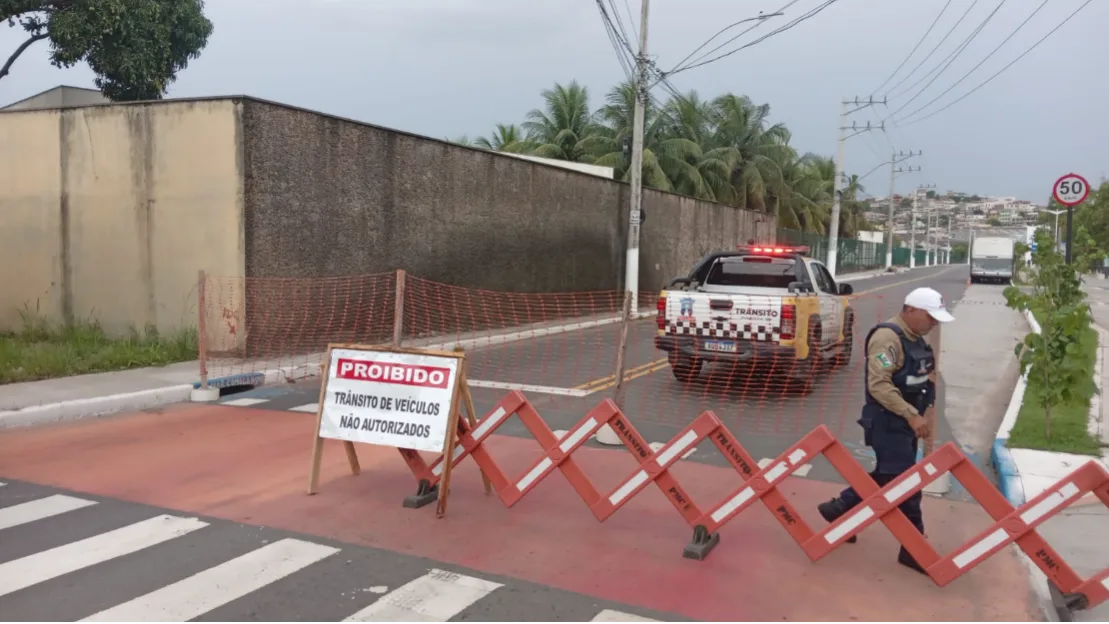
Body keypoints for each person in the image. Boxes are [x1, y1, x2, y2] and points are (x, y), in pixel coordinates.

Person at [816, 286, 954, 573]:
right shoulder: (887, 338)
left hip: (906, 422)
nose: (934, 323)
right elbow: (879, 385)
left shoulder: (917, 340)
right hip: (888, 421)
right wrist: (911, 415)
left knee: (890, 477)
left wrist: (922, 414)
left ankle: (840, 510)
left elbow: (920, 381)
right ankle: (913, 549)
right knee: (905, 485)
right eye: (930, 316)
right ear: (911, 310)